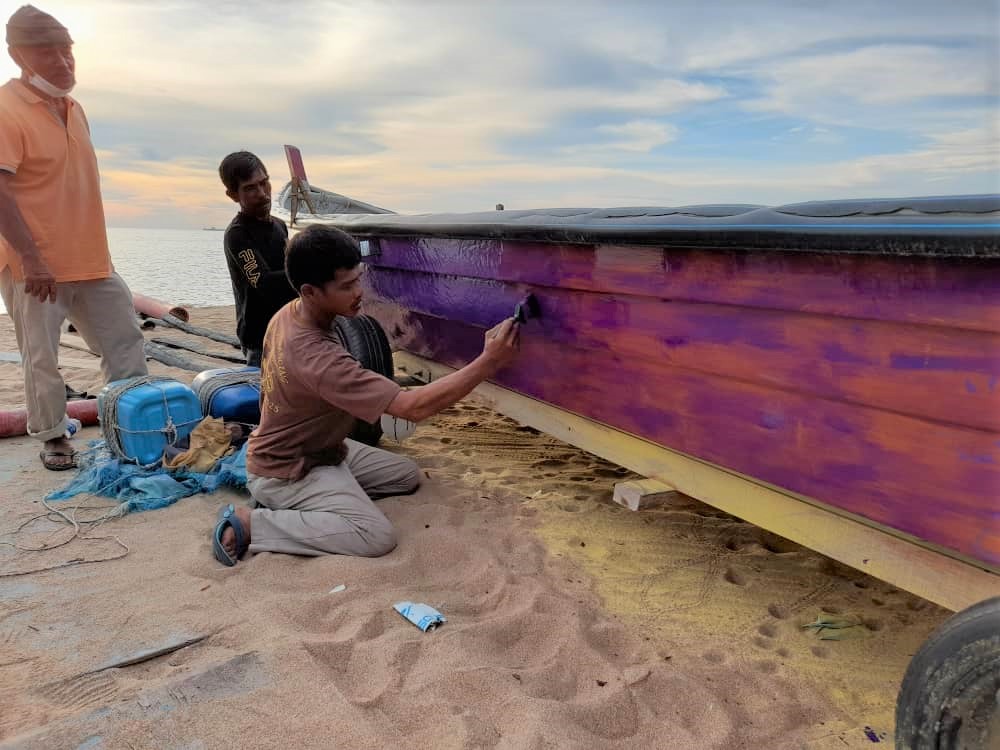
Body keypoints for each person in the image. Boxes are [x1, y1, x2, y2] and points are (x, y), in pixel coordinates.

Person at [212, 224, 520, 565]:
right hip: (288, 467)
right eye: (346, 286)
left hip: (320, 448)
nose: (359, 291)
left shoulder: (289, 313)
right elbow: (411, 408)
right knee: (375, 536)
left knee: (404, 475)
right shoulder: (317, 356)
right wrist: (488, 362)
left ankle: (322, 501)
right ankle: (253, 523)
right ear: (310, 291)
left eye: (359, 278)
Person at [0, 5, 147, 471]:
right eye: (48, 52)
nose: (63, 63)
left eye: (67, 52)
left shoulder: (75, 108)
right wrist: (31, 257)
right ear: (19, 55)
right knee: (41, 358)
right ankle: (52, 437)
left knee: (125, 340)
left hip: (92, 259)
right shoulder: (4, 108)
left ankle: (132, 425)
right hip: (35, 266)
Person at [218, 151, 297, 367]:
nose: (262, 193)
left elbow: (289, 274)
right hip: (259, 338)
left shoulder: (280, 227)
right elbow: (265, 283)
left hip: (288, 328)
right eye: (250, 188)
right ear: (233, 195)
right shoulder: (238, 234)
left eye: (265, 183)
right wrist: (311, 268)